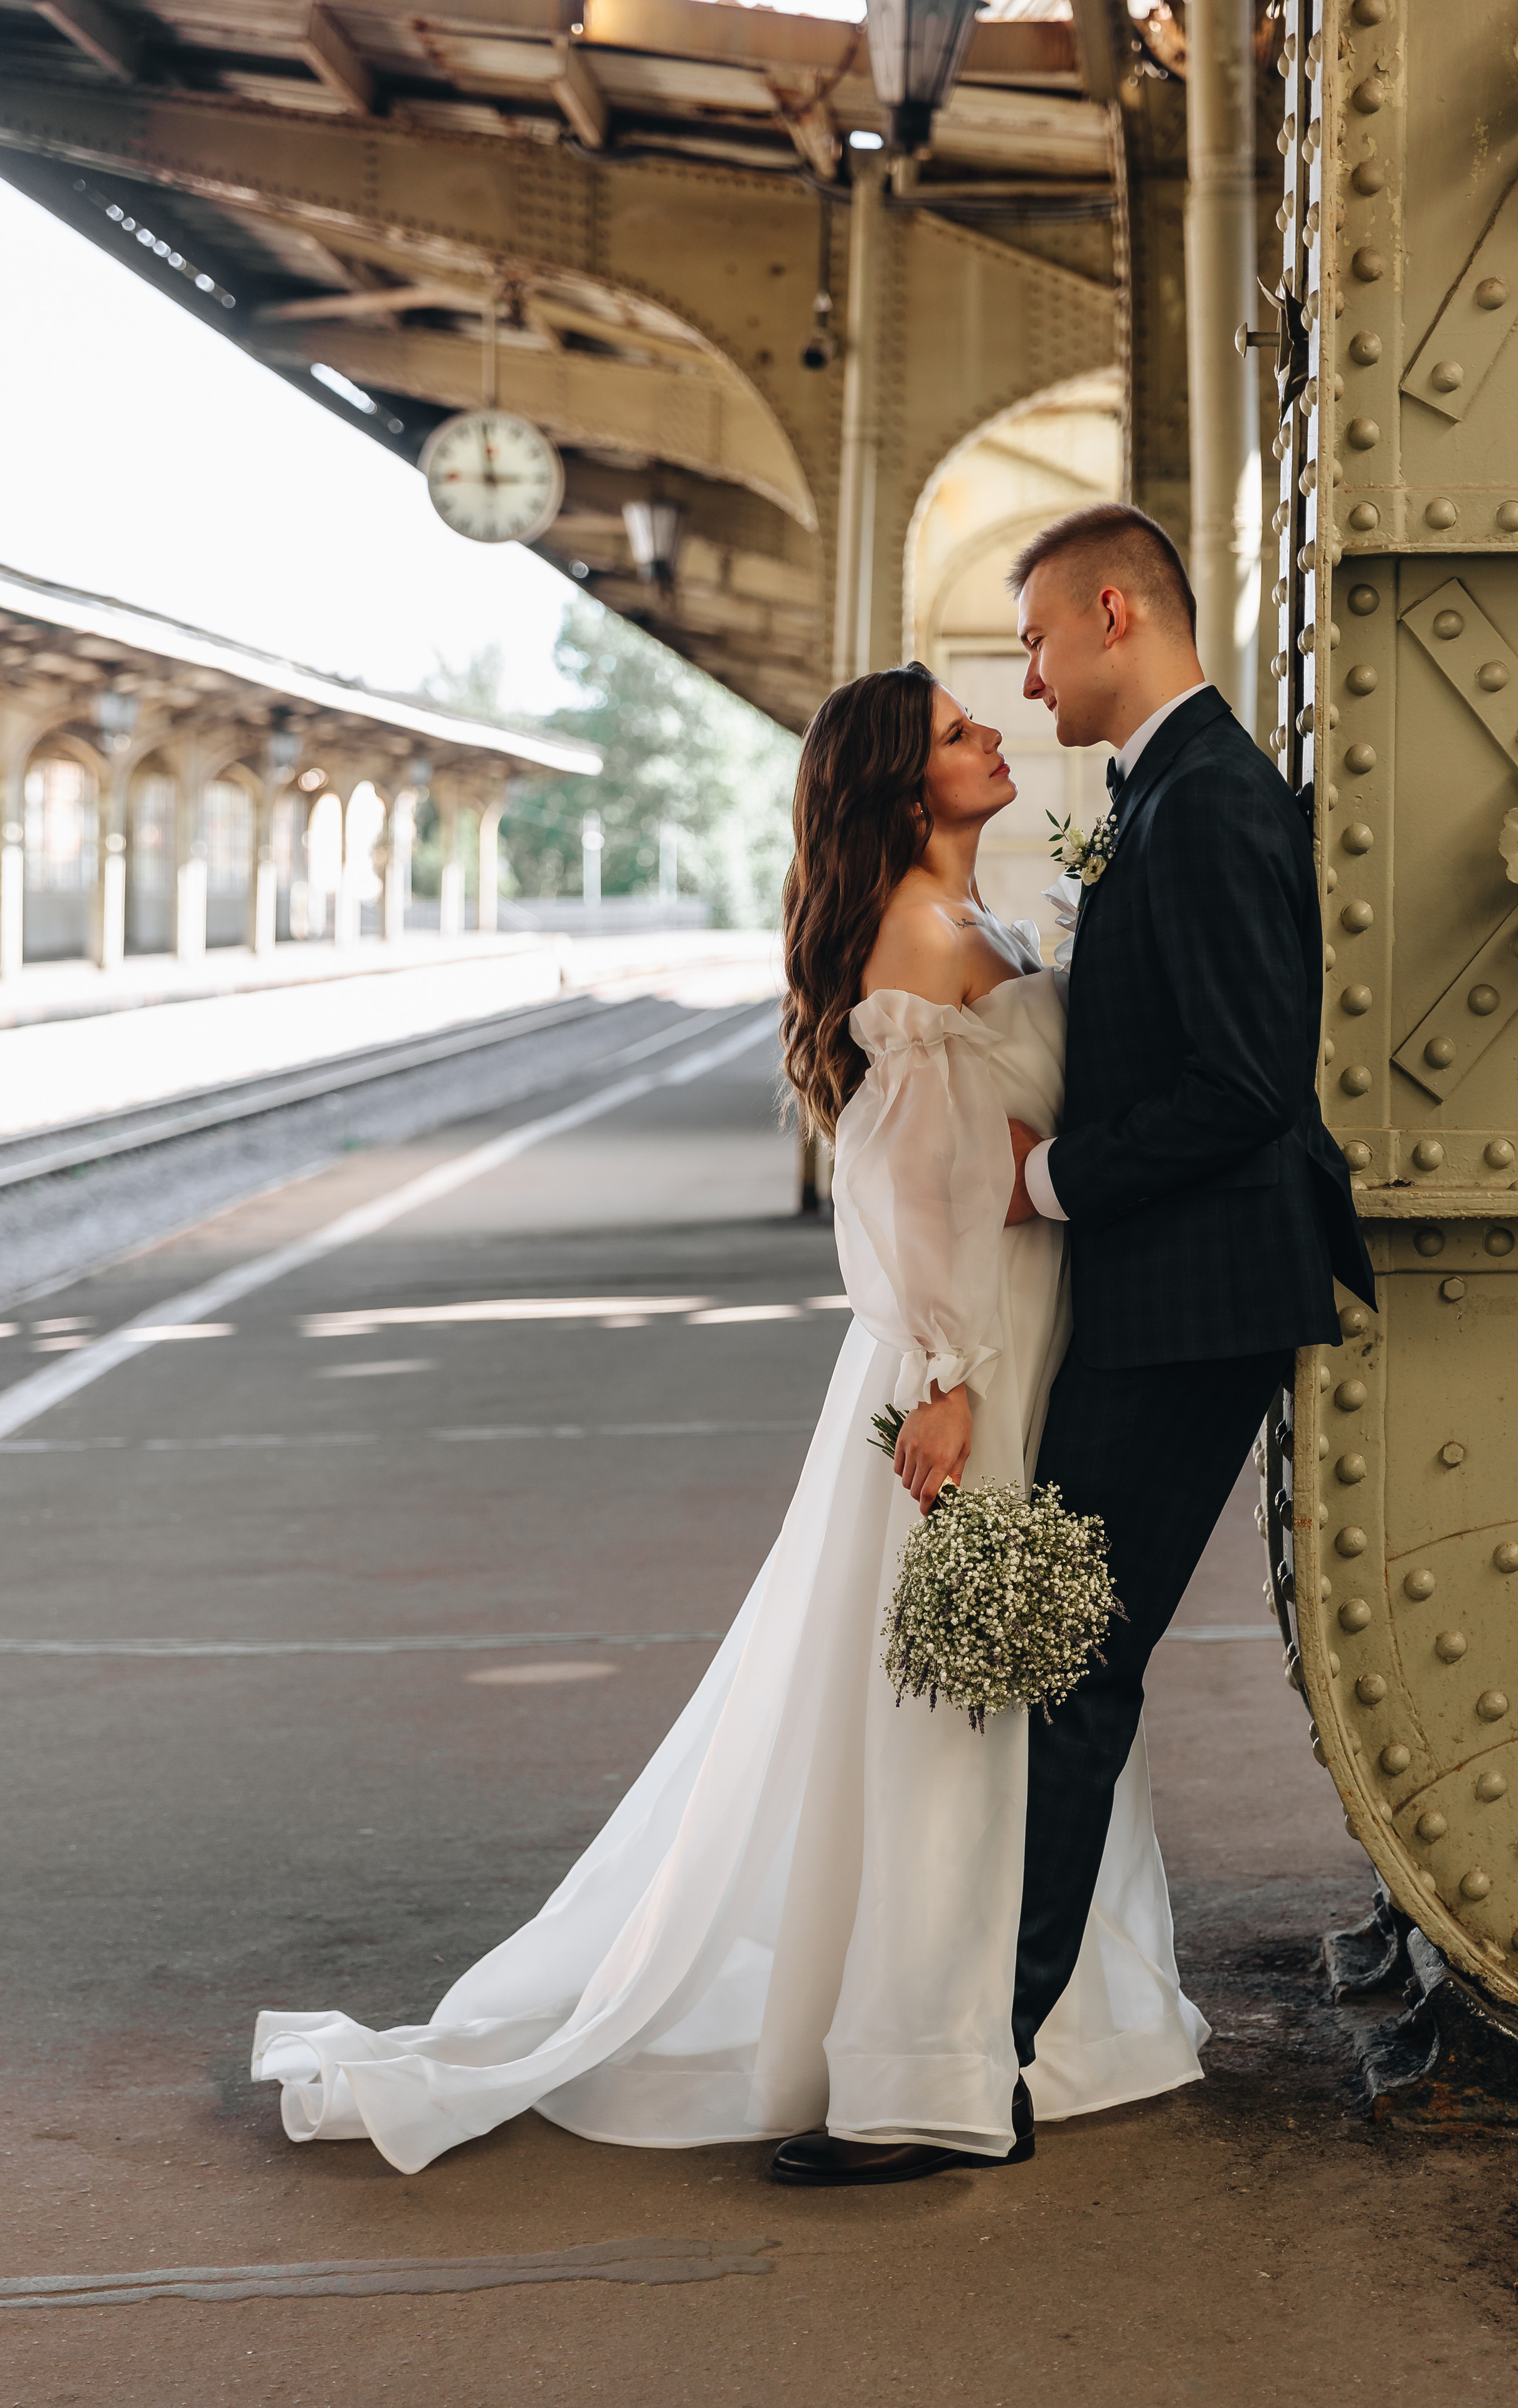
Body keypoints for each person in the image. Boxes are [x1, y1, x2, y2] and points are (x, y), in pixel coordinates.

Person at [252, 649, 1208, 2185]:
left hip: (1022, 1340)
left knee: (1004, 1687)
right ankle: (916, 2063)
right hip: (969, 1365)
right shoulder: (911, 932)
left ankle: (990, 2025)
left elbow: (990, 1143)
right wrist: (951, 1377)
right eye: (960, 734)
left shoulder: (966, 920)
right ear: (903, 785)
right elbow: (904, 1188)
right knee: (950, 1708)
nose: (992, 736)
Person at [1002, 503, 1375, 2089]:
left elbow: (1238, 1084)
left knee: (1064, 1663)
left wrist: (1050, 1182)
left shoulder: (1209, 802)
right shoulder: (1166, 787)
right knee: (1060, 1657)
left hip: (1188, 1304)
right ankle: (997, 2027)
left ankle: (982, 2056)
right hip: (1170, 1298)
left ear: (1107, 612)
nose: (1024, 679)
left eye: (1029, 638)